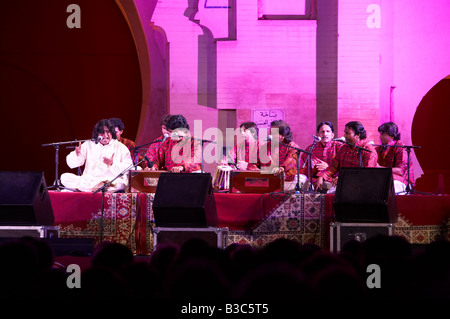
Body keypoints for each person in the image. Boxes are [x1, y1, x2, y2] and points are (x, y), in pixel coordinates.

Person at [61, 119, 134, 192]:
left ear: (112, 133)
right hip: (90, 180)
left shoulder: (121, 147)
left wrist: (112, 164)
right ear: (97, 134)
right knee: (64, 177)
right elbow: (72, 164)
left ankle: (84, 189)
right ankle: (95, 188)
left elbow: (129, 170)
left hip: (110, 181)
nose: (105, 135)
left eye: (108, 132)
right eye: (102, 132)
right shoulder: (89, 144)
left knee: (121, 184)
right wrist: (77, 155)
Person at [315, 121, 378, 192]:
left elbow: (367, 174)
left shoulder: (368, 151)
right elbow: (333, 167)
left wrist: (344, 178)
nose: (345, 136)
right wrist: (321, 176)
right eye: (345, 133)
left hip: (361, 189)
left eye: (348, 133)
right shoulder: (344, 148)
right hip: (343, 185)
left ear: (358, 135)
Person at [260, 120, 304, 189]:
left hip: (287, 181)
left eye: (273, 133)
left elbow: (291, 160)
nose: (270, 135)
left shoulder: (293, 147)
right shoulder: (265, 147)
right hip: (268, 180)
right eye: (270, 132)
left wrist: (281, 168)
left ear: (282, 136)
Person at [376, 122, 414, 194]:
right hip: (387, 179)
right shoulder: (379, 148)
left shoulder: (401, 148)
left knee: (389, 184)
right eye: (380, 134)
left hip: (402, 183)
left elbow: (400, 171)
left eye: (383, 134)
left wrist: (380, 167)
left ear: (392, 136)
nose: (380, 137)